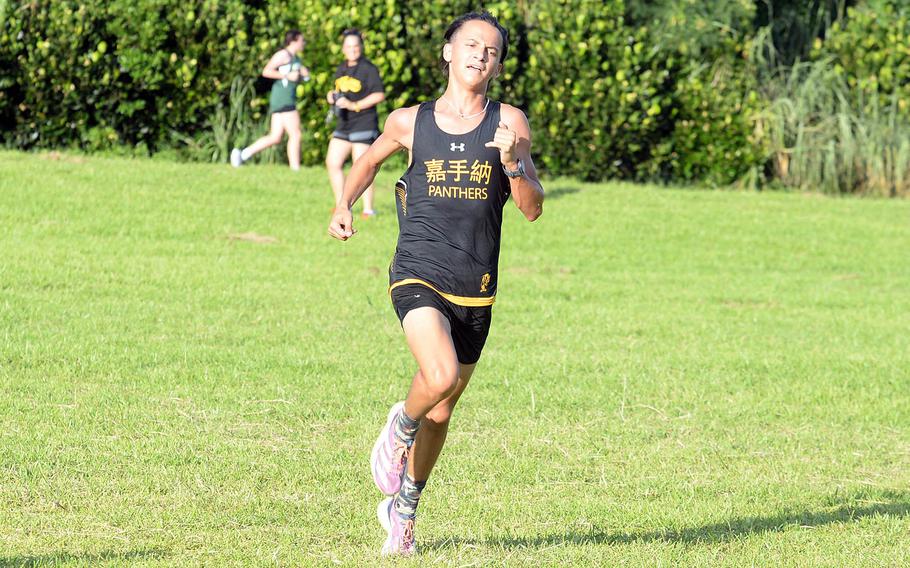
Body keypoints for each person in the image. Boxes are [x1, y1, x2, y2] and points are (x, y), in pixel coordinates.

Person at [327, 11, 544, 556]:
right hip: (418, 270)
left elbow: (533, 209)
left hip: (477, 284)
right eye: (470, 45)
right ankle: (398, 428)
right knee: (439, 376)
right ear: (448, 51)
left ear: (498, 63)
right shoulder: (409, 121)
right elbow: (370, 160)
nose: (480, 55)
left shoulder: (509, 122)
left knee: (443, 409)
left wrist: (513, 163)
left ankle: (403, 510)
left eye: (491, 50)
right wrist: (342, 204)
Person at [325, 28, 386, 218]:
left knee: (362, 166)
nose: (352, 50)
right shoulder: (341, 68)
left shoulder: (369, 69)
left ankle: (368, 209)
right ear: (343, 49)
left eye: (356, 46)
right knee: (332, 162)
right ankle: (341, 205)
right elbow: (336, 89)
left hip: (364, 123)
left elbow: (379, 94)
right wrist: (331, 97)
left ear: (361, 47)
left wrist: (355, 104)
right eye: (349, 47)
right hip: (344, 124)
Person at [231, 30, 309, 170]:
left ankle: (242, 155)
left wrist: (304, 76)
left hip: (286, 98)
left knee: (275, 137)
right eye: (302, 40)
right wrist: (286, 76)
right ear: (294, 41)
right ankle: (295, 169)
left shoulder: (296, 58)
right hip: (283, 99)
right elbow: (266, 71)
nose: (304, 43)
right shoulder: (283, 55)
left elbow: (297, 76)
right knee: (295, 134)